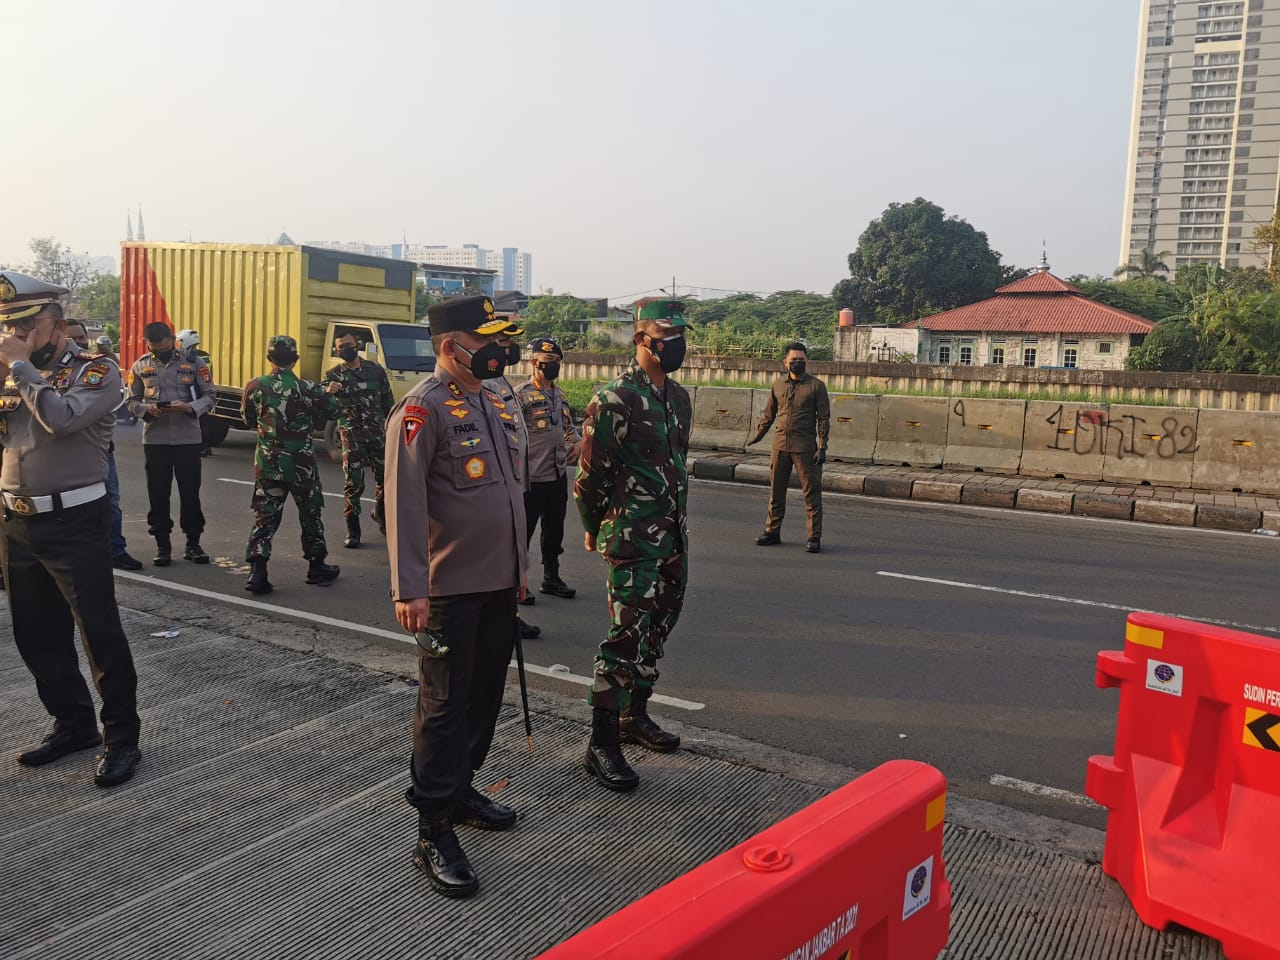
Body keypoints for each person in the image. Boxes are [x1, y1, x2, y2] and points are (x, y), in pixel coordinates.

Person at [385, 294, 527, 899]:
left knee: (483, 696)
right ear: (452, 346)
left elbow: (511, 492)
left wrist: (518, 569)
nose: (501, 349)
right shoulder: (421, 410)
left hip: (498, 582)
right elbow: (403, 503)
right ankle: (432, 829)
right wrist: (409, 588)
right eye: (487, 338)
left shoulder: (495, 398)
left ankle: (464, 789)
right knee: (443, 710)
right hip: (446, 590)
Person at [0, 271, 141, 787]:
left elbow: (60, 420)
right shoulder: (13, 373)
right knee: (36, 633)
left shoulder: (96, 372)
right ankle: (73, 723)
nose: (13, 336)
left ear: (56, 327)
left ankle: (122, 737)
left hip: (75, 520)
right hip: (16, 520)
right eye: (6, 327)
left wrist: (18, 366)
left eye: (24, 327)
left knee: (98, 633)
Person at [574, 297, 693, 792]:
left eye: (682, 334)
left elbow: (677, 465)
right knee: (624, 637)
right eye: (668, 336)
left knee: (657, 628)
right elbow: (589, 477)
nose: (678, 345)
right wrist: (593, 525)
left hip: (671, 536)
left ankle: (634, 716)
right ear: (642, 339)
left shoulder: (679, 398)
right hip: (630, 538)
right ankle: (601, 743)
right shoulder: (614, 399)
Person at [240, 335, 341, 594]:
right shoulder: (309, 388)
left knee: (266, 516)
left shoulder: (255, 386)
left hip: (268, 462)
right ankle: (316, 567)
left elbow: (248, 420)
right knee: (311, 514)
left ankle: (257, 572)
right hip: (301, 464)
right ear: (295, 360)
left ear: (268, 358)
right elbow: (333, 411)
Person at [125, 322, 214, 566]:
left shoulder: (194, 363)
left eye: (164, 347)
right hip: (155, 439)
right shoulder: (141, 365)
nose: (160, 352)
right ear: (147, 344)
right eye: (155, 348)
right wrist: (147, 409)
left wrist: (190, 407)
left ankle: (193, 543)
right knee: (158, 494)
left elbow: (210, 396)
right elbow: (130, 400)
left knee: (190, 493)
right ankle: (162, 545)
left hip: (188, 437)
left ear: (173, 339)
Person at [65, 323, 142, 571]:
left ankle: (116, 550)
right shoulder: (54, 370)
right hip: (67, 453)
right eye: (74, 337)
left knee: (111, 501)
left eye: (83, 336)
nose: (81, 341)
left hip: (100, 450)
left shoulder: (101, 365)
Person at [748, 341, 831, 554]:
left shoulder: (816, 386)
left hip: (805, 448)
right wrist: (757, 436)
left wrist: (822, 447)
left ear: (807, 361)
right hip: (780, 445)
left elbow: (823, 418)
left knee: (812, 493)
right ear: (785, 362)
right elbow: (769, 414)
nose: (797, 363)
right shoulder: (778, 385)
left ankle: (814, 537)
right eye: (793, 360)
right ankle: (772, 532)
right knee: (776, 491)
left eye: (801, 360)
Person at [515, 336, 581, 599]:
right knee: (523, 533)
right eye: (547, 361)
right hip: (531, 476)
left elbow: (568, 431)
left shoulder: (560, 395)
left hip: (557, 473)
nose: (552, 366)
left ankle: (551, 577)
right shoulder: (521, 395)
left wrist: (579, 443)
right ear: (534, 362)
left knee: (555, 530)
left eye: (556, 361)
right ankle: (517, 584)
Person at [487, 318, 541, 640]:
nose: (510, 349)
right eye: (503, 343)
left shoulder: (500, 379)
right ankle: (507, 616)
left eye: (511, 343)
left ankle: (508, 610)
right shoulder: (488, 383)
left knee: (511, 550)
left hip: (515, 481)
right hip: (502, 485)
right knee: (504, 552)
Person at [322, 330, 393, 548]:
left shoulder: (375, 370)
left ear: (357, 344)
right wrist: (327, 392)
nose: (345, 349)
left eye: (348, 345)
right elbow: (321, 406)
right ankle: (353, 530)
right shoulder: (333, 374)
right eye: (340, 347)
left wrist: (393, 429)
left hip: (377, 435)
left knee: (386, 480)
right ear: (336, 350)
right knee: (354, 483)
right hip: (351, 437)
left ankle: (382, 517)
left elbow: (388, 402)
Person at [175, 329, 215, 457]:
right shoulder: (205, 355)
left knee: (194, 419)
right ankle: (205, 447)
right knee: (204, 420)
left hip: (193, 389)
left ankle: (200, 447)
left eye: (180, 342)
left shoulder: (189, 357)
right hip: (204, 388)